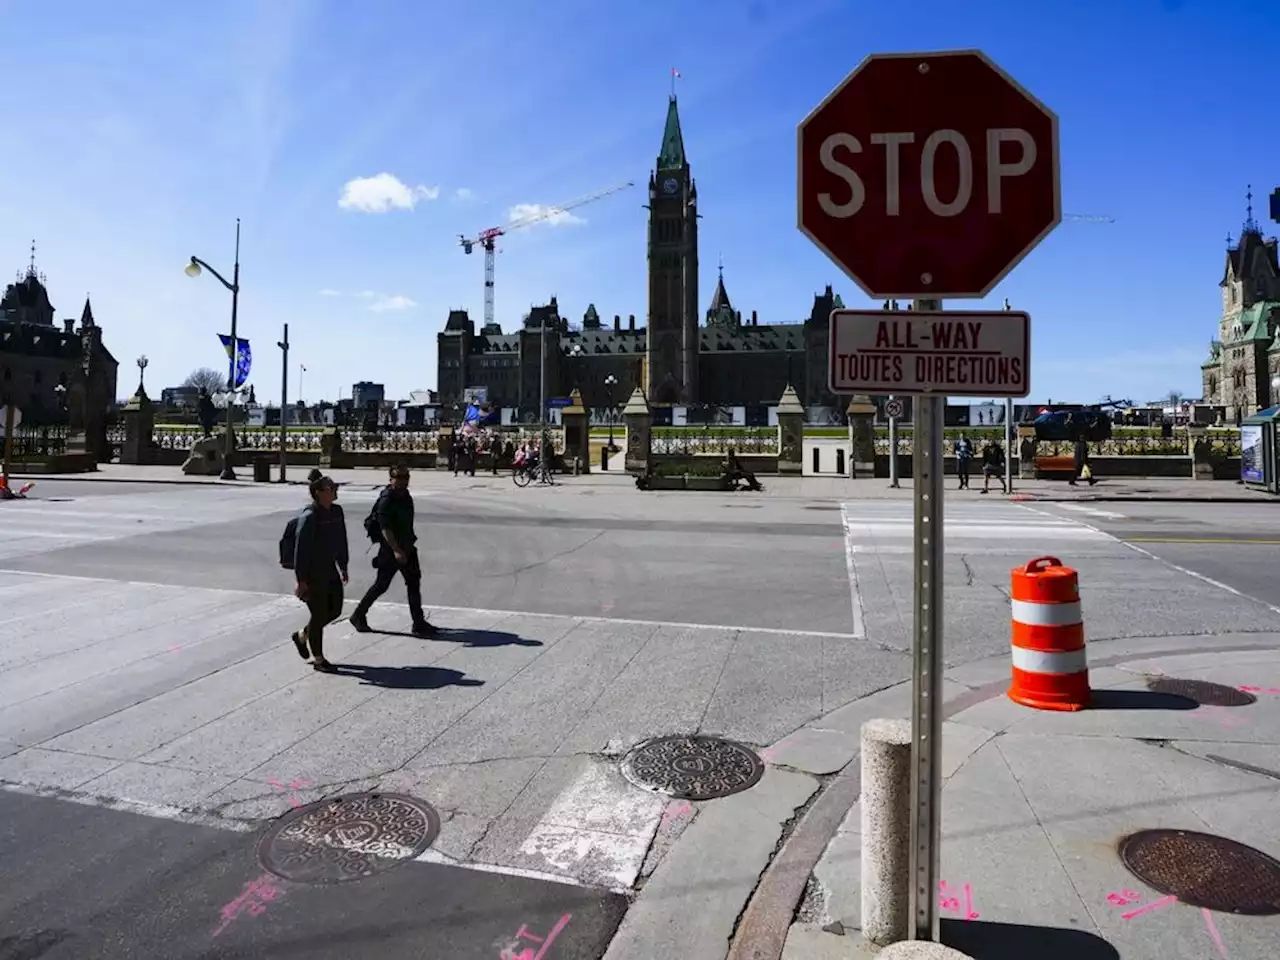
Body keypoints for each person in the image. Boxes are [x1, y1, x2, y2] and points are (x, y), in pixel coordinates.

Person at [350, 464, 437, 637]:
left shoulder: (405, 496)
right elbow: (385, 528)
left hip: (408, 547)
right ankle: (358, 614)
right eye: (399, 477)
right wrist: (396, 550)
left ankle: (418, 623)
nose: (403, 480)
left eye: (406, 477)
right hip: (391, 550)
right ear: (391, 479)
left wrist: (407, 546)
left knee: (413, 584)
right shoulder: (387, 499)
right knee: (381, 585)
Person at [290, 475, 349, 673]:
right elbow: (301, 550)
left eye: (335, 486)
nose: (335, 490)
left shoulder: (336, 512)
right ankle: (318, 658)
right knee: (318, 614)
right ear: (318, 492)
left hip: (330, 568)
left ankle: (302, 635)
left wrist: (344, 565)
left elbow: (341, 539)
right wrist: (301, 580)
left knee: (335, 610)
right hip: (313, 572)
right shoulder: (310, 517)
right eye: (330, 487)